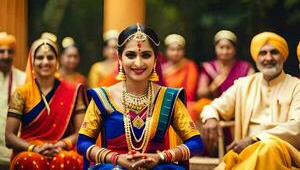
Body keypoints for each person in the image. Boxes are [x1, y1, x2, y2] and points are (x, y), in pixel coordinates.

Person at [77, 24, 204, 170]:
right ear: (120, 58)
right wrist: (116, 158)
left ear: (156, 59)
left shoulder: (168, 97)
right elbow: (82, 143)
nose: (138, 63)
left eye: (146, 55)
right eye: (130, 55)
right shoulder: (103, 97)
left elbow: (196, 143)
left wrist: (161, 157)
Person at [201, 32, 300, 169]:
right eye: (263, 53)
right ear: (256, 57)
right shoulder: (243, 85)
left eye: (274, 52)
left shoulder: (296, 86)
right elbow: (214, 106)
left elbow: (297, 125)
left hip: (283, 152)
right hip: (246, 152)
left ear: (283, 56)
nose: (268, 58)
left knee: (269, 147)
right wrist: (211, 118)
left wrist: (254, 139)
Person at [6, 33, 87, 170]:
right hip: (29, 149)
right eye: (39, 58)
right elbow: (9, 137)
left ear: (57, 61)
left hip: (62, 149)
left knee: (67, 159)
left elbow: (82, 132)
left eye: (50, 57)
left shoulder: (73, 91)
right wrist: (34, 148)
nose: (45, 62)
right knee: (30, 160)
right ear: (32, 61)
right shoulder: (21, 93)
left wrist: (61, 145)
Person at [194, 30, 254, 117]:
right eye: (221, 47)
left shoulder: (246, 68)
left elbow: (253, 91)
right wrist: (214, 85)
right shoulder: (209, 67)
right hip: (216, 107)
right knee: (200, 106)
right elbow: (201, 93)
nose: (225, 51)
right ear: (215, 48)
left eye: (228, 47)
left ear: (234, 49)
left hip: (239, 106)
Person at [0, 32, 26, 169]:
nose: (5, 56)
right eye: (1, 51)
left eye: (9, 51)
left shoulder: (23, 78)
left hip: (15, 152)